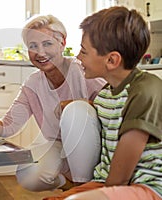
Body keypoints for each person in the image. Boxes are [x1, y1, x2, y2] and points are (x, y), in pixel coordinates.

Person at [0, 14, 106, 192]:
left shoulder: (83, 70)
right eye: (33, 46)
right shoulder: (33, 84)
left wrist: (82, 102)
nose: (40, 53)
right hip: (58, 145)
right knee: (27, 173)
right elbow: (7, 127)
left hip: (95, 146)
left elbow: (114, 107)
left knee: (76, 109)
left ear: (62, 43)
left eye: (47, 44)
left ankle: (84, 191)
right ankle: (69, 186)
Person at [44, 6, 162, 200]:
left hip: (147, 186)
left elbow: (120, 178)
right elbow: (107, 111)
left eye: (84, 52)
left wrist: (97, 193)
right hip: (107, 182)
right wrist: (78, 104)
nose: (78, 57)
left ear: (112, 60)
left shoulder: (147, 90)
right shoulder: (105, 93)